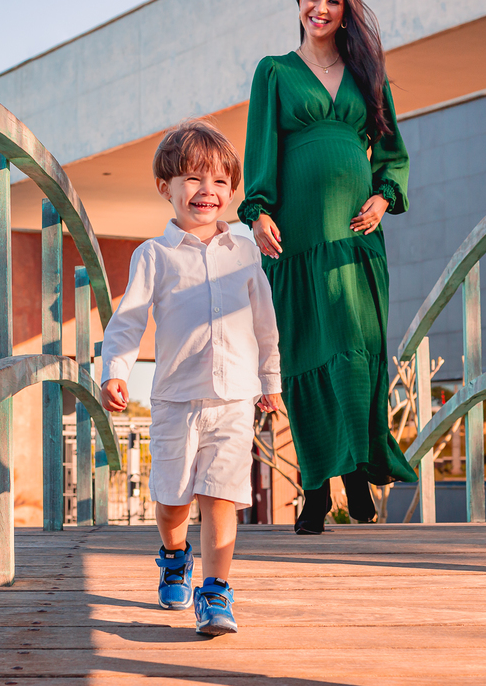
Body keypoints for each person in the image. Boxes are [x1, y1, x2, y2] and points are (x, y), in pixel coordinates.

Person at [238, 0, 417, 535]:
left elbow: (391, 152)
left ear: (346, 12)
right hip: (296, 238)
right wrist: (258, 211)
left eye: (334, 1)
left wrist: (384, 198)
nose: (321, 8)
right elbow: (261, 147)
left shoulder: (370, 77)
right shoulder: (275, 73)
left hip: (356, 237)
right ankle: (316, 488)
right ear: (298, 3)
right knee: (304, 356)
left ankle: (359, 470)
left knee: (356, 347)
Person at [100, 119, 284, 636]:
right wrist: (116, 371)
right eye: (193, 180)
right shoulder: (153, 257)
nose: (208, 192)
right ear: (166, 188)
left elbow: (264, 324)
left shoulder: (245, 252)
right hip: (176, 399)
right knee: (174, 498)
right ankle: (173, 556)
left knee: (222, 494)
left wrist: (271, 381)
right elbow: (128, 321)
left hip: (233, 398)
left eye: (221, 182)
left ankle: (216, 592)